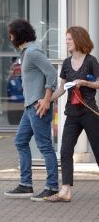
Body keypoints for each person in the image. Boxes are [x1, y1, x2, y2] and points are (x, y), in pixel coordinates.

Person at [4, 18, 59, 201]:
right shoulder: (26, 52)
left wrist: (46, 99)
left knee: (44, 146)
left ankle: (52, 187)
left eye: (11, 34)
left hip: (38, 106)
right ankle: (26, 185)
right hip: (30, 108)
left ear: (18, 35)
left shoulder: (33, 52)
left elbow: (51, 73)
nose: (9, 37)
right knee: (20, 141)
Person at [44, 26, 99, 202]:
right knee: (65, 151)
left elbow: (98, 83)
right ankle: (65, 191)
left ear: (78, 40)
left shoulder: (91, 61)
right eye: (66, 39)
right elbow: (62, 87)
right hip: (72, 114)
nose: (66, 41)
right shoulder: (67, 63)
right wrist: (47, 100)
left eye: (69, 39)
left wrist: (84, 83)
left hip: (89, 112)